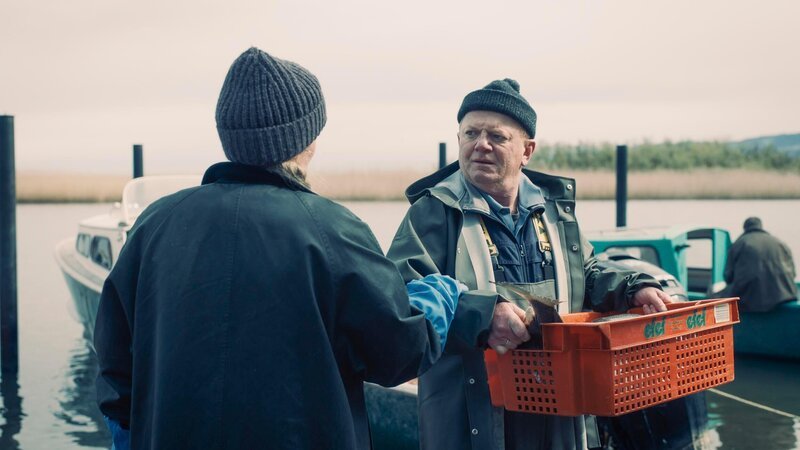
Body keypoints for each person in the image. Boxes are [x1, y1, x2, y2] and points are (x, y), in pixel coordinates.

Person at [94, 47, 464, 450]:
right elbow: (398, 352)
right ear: (304, 140)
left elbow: (116, 365)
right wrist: (440, 293)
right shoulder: (332, 227)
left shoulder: (155, 223)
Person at [387, 78, 673, 450]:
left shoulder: (556, 210)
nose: (481, 145)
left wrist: (633, 288)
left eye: (497, 136)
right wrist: (483, 316)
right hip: (471, 412)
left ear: (527, 150)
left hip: (558, 407)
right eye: (470, 133)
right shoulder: (432, 212)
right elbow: (401, 298)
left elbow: (584, 273)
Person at [719, 216, 797, 311]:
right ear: (760, 226)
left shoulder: (739, 244)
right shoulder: (780, 243)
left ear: (745, 228)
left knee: (714, 295)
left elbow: (728, 277)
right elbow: (793, 274)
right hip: (784, 297)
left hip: (747, 299)